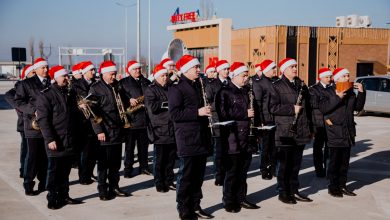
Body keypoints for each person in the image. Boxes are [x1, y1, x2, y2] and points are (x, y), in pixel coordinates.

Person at [168, 55, 214, 220]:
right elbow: (174, 114)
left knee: (198, 177)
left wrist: (206, 110)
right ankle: (184, 209)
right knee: (186, 176)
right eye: (195, 67)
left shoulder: (198, 85)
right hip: (187, 138)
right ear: (186, 69)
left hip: (201, 137)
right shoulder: (176, 88)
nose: (199, 70)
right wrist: (197, 112)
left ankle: (196, 205)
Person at [36, 65, 83, 209]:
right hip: (56, 139)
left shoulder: (69, 93)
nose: (67, 79)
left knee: (65, 171)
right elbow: (43, 120)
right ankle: (52, 198)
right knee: (54, 171)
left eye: (67, 76)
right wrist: (50, 139)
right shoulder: (46, 94)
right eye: (64, 76)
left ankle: (64, 195)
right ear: (55, 78)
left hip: (69, 139)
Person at [215, 62, 260, 213]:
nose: (246, 78)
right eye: (244, 75)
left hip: (247, 137)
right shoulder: (224, 92)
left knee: (243, 172)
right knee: (232, 173)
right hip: (232, 139)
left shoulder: (248, 91)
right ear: (234, 75)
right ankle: (229, 201)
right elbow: (223, 114)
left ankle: (242, 198)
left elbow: (255, 113)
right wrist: (244, 114)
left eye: (247, 75)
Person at [270, 58, 313, 204]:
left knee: (296, 164)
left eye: (295, 66)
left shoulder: (301, 85)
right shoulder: (276, 86)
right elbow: (272, 108)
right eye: (292, 67)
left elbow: (308, 109)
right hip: (284, 131)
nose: (295, 69)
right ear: (284, 69)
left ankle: (294, 190)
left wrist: (310, 128)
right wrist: (291, 109)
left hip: (300, 129)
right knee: (284, 165)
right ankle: (283, 192)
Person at [319, 68, 365, 197]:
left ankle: (342, 185)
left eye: (348, 76)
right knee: (334, 162)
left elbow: (358, 107)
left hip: (348, 131)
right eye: (344, 76)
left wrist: (361, 92)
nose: (347, 78)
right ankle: (333, 187)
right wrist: (337, 96)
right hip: (334, 131)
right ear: (337, 78)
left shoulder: (351, 93)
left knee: (345, 162)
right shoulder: (328, 91)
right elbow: (323, 109)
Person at [89, 60, 131, 200]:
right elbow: (92, 112)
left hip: (117, 130)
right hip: (104, 131)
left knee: (115, 163)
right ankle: (102, 189)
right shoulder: (95, 88)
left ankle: (114, 186)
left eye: (115, 74)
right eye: (112, 74)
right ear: (104, 74)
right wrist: (99, 131)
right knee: (103, 164)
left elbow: (123, 105)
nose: (114, 76)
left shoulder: (117, 86)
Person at [14, 58, 50, 196]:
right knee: (33, 157)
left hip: (47, 126)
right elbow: (18, 101)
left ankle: (44, 183)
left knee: (46, 157)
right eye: (43, 68)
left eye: (47, 67)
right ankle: (28, 184)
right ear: (35, 69)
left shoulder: (50, 82)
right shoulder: (26, 84)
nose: (46, 70)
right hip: (33, 126)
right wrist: (33, 110)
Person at [144, 64, 177, 193]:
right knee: (160, 159)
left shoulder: (171, 88)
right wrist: (167, 104)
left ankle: (169, 180)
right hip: (159, 129)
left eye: (166, 75)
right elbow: (152, 108)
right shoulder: (151, 89)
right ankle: (159, 182)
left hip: (172, 127)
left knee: (171, 158)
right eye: (162, 76)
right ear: (157, 77)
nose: (165, 78)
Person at [119, 60, 152, 177]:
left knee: (143, 147)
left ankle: (144, 167)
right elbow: (118, 97)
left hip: (144, 119)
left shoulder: (147, 82)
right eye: (135, 69)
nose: (137, 71)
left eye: (139, 68)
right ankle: (128, 169)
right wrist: (128, 99)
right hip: (131, 120)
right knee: (129, 148)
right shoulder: (123, 82)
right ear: (129, 70)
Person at [4, 64, 35, 178]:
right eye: (32, 73)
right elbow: (8, 95)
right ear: (26, 75)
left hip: (35, 123)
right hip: (24, 123)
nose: (34, 75)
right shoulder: (21, 85)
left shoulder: (35, 85)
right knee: (26, 149)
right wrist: (21, 109)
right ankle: (23, 170)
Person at [71, 61, 99, 184]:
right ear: (84, 72)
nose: (93, 72)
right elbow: (70, 103)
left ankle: (90, 173)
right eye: (91, 70)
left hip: (95, 121)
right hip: (82, 123)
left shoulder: (96, 84)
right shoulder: (75, 85)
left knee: (93, 151)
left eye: (94, 70)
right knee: (85, 152)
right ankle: (83, 176)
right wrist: (78, 105)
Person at [205, 60, 230, 186]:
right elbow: (208, 103)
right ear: (219, 70)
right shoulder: (212, 84)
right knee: (219, 151)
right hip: (218, 121)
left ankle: (228, 173)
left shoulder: (230, 83)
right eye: (224, 69)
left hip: (230, 120)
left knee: (229, 149)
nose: (227, 71)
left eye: (228, 69)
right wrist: (222, 104)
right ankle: (218, 175)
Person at [252, 59, 278, 180]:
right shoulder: (259, 83)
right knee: (265, 147)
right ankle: (264, 169)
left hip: (274, 119)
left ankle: (273, 168)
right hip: (265, 121)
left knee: (274, 146)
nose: (275, 70)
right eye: (273, 68)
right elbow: (257, 103)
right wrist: (260, 121)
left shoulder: (274, 81)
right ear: (267, 69)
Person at [309, 68, 333, 178]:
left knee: (329, 147)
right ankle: (319, 170)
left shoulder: (332, 88)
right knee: (318, 148)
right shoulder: (313, 89)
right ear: (320, 77)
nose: (329, 79)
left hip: (330, 122)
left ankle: (328, 169)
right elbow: (314, 105)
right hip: (318, 123)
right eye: (327, 77)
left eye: (330, 77)